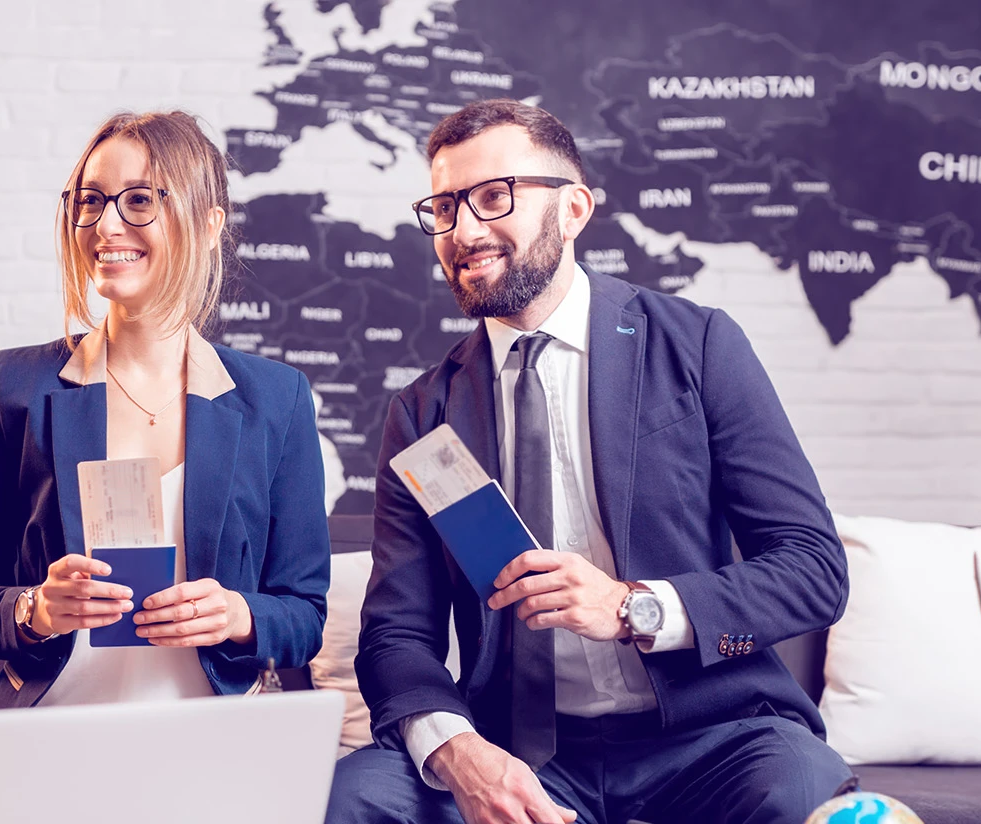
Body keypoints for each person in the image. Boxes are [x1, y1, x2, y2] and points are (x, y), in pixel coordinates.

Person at [327, 99, 855, 824]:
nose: (464, 231)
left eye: (493, 197)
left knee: (799, 789)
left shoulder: (697, 347)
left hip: (711, 737)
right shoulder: (423, 415)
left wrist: (631, 606)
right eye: (445, 207)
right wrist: (457, 751)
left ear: (573, 208)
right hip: (522, 749)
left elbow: (812, 571)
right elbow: (397, 636)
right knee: (353, 797)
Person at [0, 110, 330, 709]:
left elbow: (303, 617)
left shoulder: (277, 400)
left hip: (212, 739)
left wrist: (236, 613)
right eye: (91, 200)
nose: (106, 224)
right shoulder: (10, 385)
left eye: (140, 200)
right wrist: (35, 610)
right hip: (49, 725)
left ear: (207, 226)